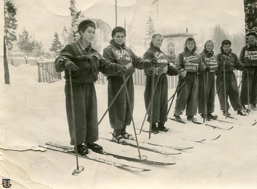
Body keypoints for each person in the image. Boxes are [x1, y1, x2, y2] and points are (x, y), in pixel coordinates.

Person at [55, 20, 127, 156]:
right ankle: (78, 143)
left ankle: (90, 141)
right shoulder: (71, 48)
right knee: (78, 114)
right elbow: (59, 60)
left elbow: (104, 64)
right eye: (89, 31)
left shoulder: (93, 51)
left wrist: (117, 67)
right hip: (75, 86)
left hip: (89, 85)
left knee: (91, 114)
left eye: (93, 32)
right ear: (81, 32)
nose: (92, 34)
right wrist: (67, 62)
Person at [103, 26, 152, 143]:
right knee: (118, 105)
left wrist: (148, 63)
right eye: (117, 36)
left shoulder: (128, 50)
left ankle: (123, 130)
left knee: (128, 104)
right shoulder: (109, 50)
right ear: (113, 37)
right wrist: (121, 70)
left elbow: (137, 61)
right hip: (116, 81)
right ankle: (116, 131)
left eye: (122, 36)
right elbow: (107, 66)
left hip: (128, 79)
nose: (120, 39)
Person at [143, 33, 178, 133]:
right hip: (153, 81)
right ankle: (153, 124)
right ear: (152, 40)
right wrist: (155, 70)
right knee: (154, 101)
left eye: (161, 41)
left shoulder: (163, 53)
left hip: (163, 80)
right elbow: (145, 68)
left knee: (163, 101)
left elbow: (168, 66)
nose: (159, 42)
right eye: (158, 40)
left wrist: (177, 72)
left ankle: (161, 123)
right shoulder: (149, 53)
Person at [173, 37, 205, 123]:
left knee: (193, 96)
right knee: (183, 96)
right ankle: (177, 114)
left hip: (194, 77)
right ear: (186, 45)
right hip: (185, 77)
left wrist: (203, 68)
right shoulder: (182, 55)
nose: (190, 45)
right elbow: (178, 65)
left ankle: (191, 115)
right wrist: (181, 71)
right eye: (188, 43)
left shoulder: (198, 56)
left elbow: (202, 66)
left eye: (192, 43)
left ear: (194, 45)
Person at [216, 40, 247, 117]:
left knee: (234, 92)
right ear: (222, 47)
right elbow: (215, 66)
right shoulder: (219, 56)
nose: (226, 48)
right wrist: (217, 72)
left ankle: (238, 109)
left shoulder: (233, 55)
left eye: (228, 47)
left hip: (231, 75)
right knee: (223, 93)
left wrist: (244, 67)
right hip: (222, 76)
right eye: (225, 47)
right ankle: (225, 110)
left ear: (230, 47)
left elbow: (238, 65)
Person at [198, 40, 218, 120]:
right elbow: (200, 65)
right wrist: (204, 69)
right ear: (205, 46)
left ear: (212, 47)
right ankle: (203, 112)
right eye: (207, 45)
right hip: (204, 76)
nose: (209, 47)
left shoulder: (214, 55)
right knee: (204, 94)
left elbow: (216, 64)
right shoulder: (202, 55)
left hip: (211, 76)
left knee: (211, 94)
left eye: (210, 46)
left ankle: (209, 112)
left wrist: (217, 68)